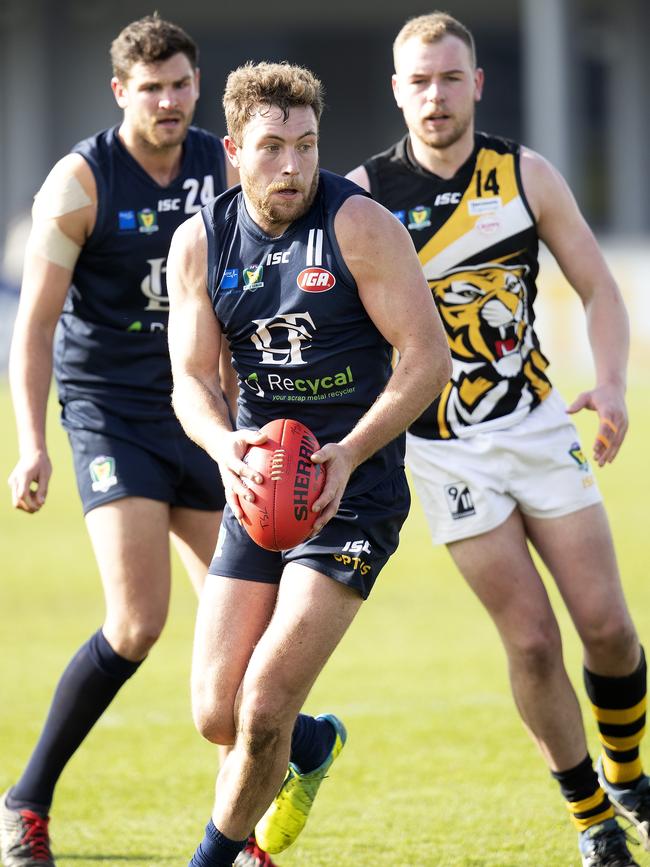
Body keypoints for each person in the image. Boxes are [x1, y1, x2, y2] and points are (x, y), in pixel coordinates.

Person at [347, 11, 649, 867]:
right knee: (530, 640)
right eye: (419, 80)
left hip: (540, 425)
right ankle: (594, 818)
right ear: (396, 89)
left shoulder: (523, 174)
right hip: (443, 452)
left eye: (450, 78)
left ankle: (629, 775)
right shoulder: (364, 197)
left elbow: (599, 288)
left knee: (609, 629)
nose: (435, 95)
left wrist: (615, 382)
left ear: (475, 84)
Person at [0, 14, 276, 867]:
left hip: (199, 412)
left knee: (245, 644)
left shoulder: (220, 163)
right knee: (138, 620)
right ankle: (24, 805)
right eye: (150, 88)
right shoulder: (80, 184)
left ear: (199, 86)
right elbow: (33, 325)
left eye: (180, 85)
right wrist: (31, 442)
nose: (167, 101)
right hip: (108, 409)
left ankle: (243, 837)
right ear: (121, 91)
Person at [165, 60, 451, 866]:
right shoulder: (203, 240)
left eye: (306, 145)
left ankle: (218, 858)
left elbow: (426, 359)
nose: (291, 166)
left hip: (353, 491)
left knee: (260, 706)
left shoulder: (359, 225)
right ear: (232, 151)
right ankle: (313, 742)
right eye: (270, 148)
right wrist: (227, 448)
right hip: (259, 486)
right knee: (216, 713)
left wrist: (350, 452)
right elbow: (189, 378)